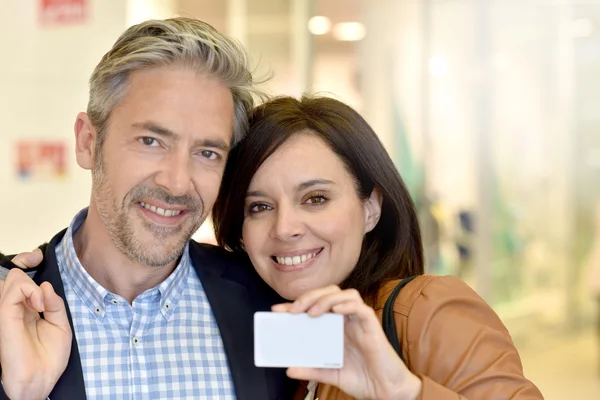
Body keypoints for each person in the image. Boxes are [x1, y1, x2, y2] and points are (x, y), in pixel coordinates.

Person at [0, 17, 294, 400]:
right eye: (151, 141)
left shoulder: (268, 305)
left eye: (207, 152)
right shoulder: (8, 307)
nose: (176, 182)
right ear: (89, 142)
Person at [211, 96, 545, 399]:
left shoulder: (426, 312)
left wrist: (404, 392)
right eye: (259, 206)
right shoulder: (279, 341)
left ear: (370, 207)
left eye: (315, 199)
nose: (284, 228)